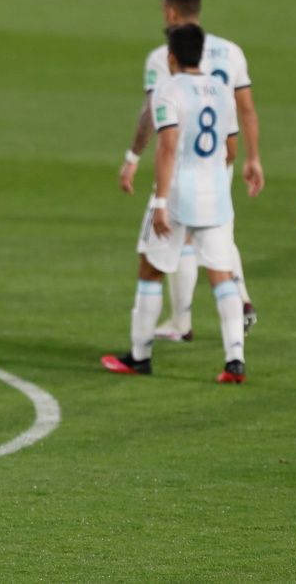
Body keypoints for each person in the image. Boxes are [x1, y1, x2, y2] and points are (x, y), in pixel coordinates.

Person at [119, 0, 263, 343]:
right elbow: (245, 109)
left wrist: (133, 156)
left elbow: (151, 115)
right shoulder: (231, 52)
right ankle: (237, 304)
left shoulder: (163, 55)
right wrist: (252, 158)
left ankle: (178, 325)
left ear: (170, 10)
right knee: (216, 231)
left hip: (182, 164)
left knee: (175, 241)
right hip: (221, 157)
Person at [101, 24, 248, 383]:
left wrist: (162, 201)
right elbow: (231, 150)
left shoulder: (169, 90)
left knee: (151, 268)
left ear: (171, 56)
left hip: (179, 193)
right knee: (221, 274)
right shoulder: (221, 90)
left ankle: (139, 356)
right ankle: (235, 361)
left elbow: (167, 146)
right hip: (217, 197)